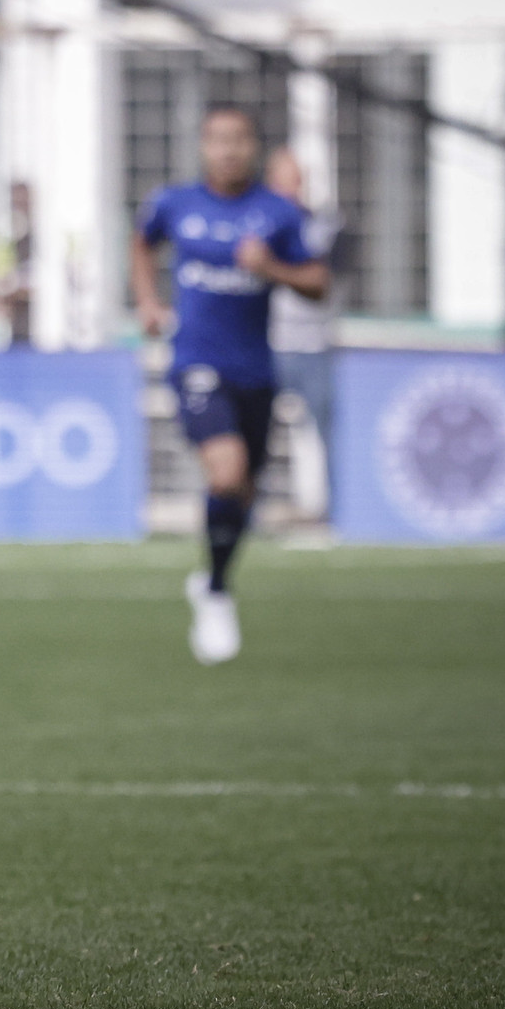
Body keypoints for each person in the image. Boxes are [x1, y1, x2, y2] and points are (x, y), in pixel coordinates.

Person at [130, 106, 329, 665]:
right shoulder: (175, 204)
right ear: (203, 145)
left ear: (253, 146)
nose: (229, 150)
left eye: (239, 139)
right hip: (195, 363)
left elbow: (318, 281)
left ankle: (213, 577)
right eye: (218, 139)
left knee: (242, 495)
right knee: (228, 469)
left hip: (256, 372)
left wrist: (273, 270)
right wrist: (148, 301)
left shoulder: (277, 213)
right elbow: (141, 242)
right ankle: (217, 597)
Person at [264, 147, 339, 512]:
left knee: (325, 430)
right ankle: (250, 513)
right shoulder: (254, 222)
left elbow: (324, 276)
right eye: (283, 180)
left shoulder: (319, 225)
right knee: (255, 433)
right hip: (267, 343)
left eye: (296, 180)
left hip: (313, 344)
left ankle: (330, 511)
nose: (291, 188)